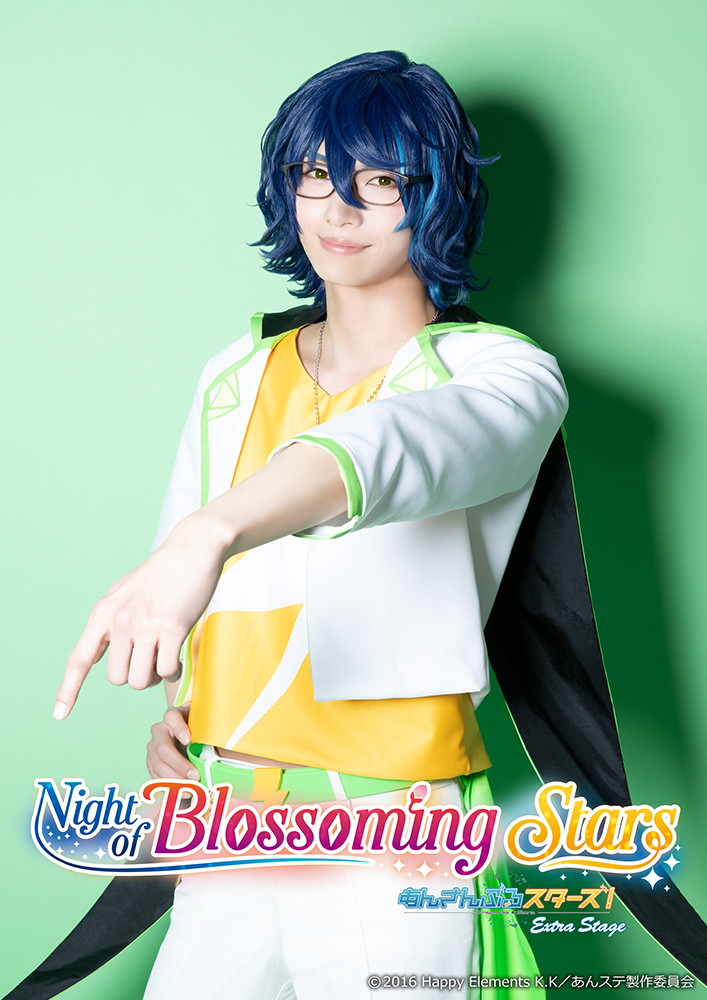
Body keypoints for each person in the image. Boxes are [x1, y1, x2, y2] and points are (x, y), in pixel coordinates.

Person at [39, 49, 706, 1000]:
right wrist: (181, 723)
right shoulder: (234, 375)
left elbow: (394, 452)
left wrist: (210, 530)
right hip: (225, 828)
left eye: (379, 180)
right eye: (315, 172)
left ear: (434, 194)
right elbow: (197, 605)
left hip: (397, 843)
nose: (337, 208)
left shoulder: (500, 375)